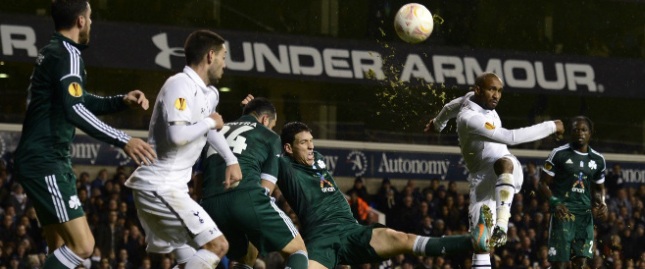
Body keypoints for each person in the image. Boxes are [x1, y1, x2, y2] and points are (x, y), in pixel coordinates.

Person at [12, 1, 157, 268]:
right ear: (80, 21)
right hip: (46, 160)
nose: (91, 23)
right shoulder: (68, 54)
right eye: (90, 18)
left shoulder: (55, 51)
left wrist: (120, 100)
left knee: (58, 248)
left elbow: (77, 99)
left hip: (42, 159)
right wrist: (124, 139)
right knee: (83, 246)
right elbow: (75, 110)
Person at [276, 121, 492, 269]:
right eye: (303, 143)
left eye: (311, 140)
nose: (311, 146)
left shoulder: (318, 158)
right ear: (288, 147)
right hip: (320, 240)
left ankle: (472, 240)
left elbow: (327, 187)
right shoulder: (282, 164)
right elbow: (256, 145)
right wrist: (252, 117)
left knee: (402, 238)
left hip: (351, 230)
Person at [124, 29, 243, 269]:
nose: (225, 63)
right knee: (218, 246)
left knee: (192, 261)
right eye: (223, 56)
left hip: (171, 188)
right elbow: (178, 136)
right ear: (210, 56)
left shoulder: (209, 93)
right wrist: (211, 121)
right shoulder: (179, 84)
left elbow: (207, 130)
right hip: (159, 187)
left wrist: (230, 159)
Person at [424, 72, 564, 269]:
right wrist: (552, 125)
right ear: (478, 90)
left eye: (499, 91)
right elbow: (510, 137)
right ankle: (492, 236)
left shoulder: (469, 99)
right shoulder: (469, 117)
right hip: (481, 180)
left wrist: (438, 124)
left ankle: (502, 226)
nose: (496, 95)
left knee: (503, 163)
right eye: (492, 89)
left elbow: (448, 108)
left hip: (507, 168)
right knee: (480, 245)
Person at [199, 97, 308, 269]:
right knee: (298, 250)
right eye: (272, 125)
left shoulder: (215, 132)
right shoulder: (269, 136)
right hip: (246, 198)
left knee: (247, 255)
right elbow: (266, 187)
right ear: (265, 119)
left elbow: (199, 178)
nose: (272, 129)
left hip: (209, 205)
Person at [538, 116, 607, 269]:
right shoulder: (558, 154)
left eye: (584, 130)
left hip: (585, 216)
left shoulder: (598, 159)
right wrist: (555, 202)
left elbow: (599, 189)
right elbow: (542, 184)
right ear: (570, 132)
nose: (580, 133)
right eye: (575, 130)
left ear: (590, 133)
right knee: (560, 265)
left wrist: (602, 203)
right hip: (564, 214)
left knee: (581, 264)